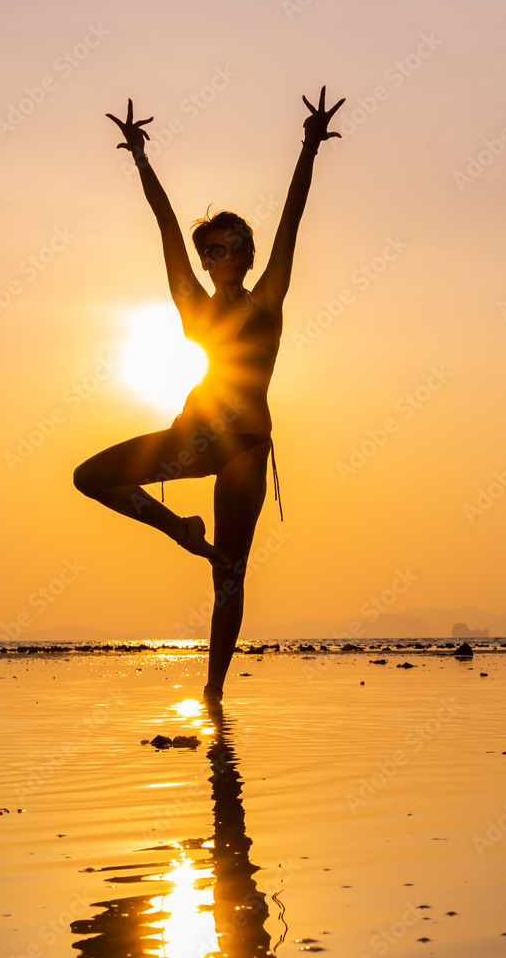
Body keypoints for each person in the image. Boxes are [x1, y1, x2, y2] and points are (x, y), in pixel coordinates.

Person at [73, 87, 345, 706]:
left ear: (247, 253)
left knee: (231, 574)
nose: (225, 255)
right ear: (205, 259)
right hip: (191, 435)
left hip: (247, 442)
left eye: (234, 245)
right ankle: (181, 531)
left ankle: (214, 692)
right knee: (89, 477)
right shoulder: (192, 305)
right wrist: (142, 159)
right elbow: (165, 224)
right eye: (214, 249)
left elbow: (293, 220)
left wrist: (307, 148)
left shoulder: (268, 299)